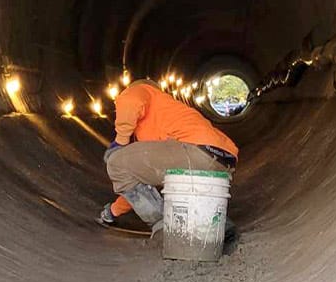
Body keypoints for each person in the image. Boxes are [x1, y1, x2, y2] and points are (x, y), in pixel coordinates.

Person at [97, 79, 238, 234]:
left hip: (196, 151)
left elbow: (131, 99)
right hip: (223, 159)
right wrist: (114, 210)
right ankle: (218, 226)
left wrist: (120, 141)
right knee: (176, 185)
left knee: (116, 163)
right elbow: (142, 186)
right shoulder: (167, 116)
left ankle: (164, 226)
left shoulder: (142, 91)